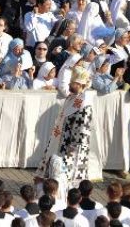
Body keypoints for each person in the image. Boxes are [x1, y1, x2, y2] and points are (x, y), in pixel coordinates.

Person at [39, 66, 94, 197]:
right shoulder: (72, 97)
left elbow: (83, 127)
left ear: (79, 84)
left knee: (69, 171)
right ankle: (54, 189)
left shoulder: (84, 103)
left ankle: (68, 194)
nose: (69, 85)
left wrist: (74, 145)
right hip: (61, 140)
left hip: (72, 145)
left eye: (72, 83)